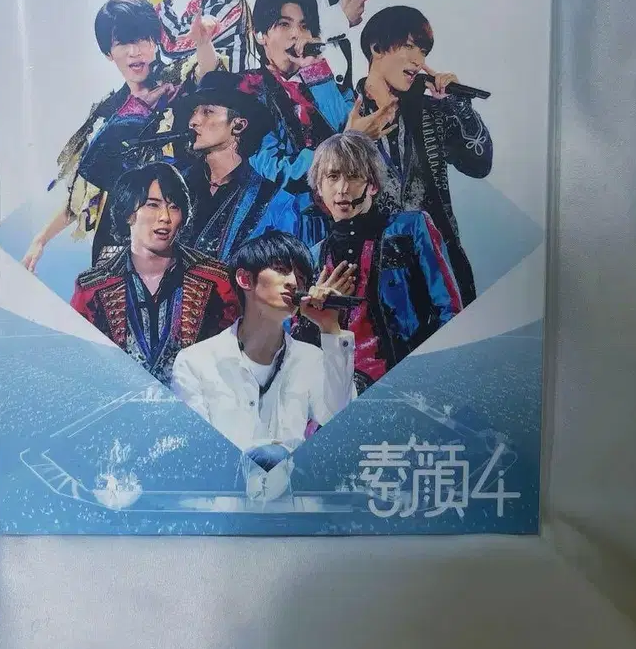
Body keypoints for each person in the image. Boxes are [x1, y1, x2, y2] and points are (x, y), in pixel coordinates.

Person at [21, 0, 223, 271]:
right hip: (117, 244)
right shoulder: (108, 112)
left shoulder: (178, 81)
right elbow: (85, 192)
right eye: (123, 43)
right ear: (108, 52)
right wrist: (42, 239)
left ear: (155, 42)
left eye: (142, 40)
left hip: (178, 235)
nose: (134, 52)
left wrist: (203, 42)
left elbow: (210, 76)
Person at [171, 231, 356, 469]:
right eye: (281, 270)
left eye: (300, 277)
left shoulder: (310, 359)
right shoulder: (195, 361)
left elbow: (342, 419)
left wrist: (330, 327)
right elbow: (195, 450)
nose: (293, 282)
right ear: (245, 279)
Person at [299, 131, 463, 395]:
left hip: (410, 386)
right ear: (319, 188)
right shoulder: (313, 256)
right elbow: (299, 345)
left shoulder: (410, 228)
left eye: (353, 176)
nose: (342, 189)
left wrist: (433, 379)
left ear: (372, 185)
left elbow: (449, 309)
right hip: (340, 392)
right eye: (332, 177)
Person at [238, 0, 396, 245]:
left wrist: (315, 71)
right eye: (284, 25)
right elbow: (274, 169)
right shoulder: (246, 91)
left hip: (345, 220)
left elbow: (349, 126)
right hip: (286, 225)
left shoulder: (327, 82)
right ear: (260, 34)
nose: (296, 35)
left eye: (304, 26)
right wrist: (345, 142)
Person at [357, 6, 492, 305]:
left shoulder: (431, 113)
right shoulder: (342, 109)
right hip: (371, 275)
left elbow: (479, 164)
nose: (418, 60)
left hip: (435, 271)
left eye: (423, 51)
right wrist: (353, 139)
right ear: (376, 48)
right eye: (409, 46)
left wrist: (458, 104)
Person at [70, 162, 238, 387]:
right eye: (153, 205)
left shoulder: (216, 280)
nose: (165, 217)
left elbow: (235, 361)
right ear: (128, 213)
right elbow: (78, 366)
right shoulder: (93, 287)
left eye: (174, 207)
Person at [172, 70, 308, 258]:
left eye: (207, 111)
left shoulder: (274, 201)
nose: (193, 122)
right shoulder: (176, 184)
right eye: (194, 112)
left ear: (238, 125)